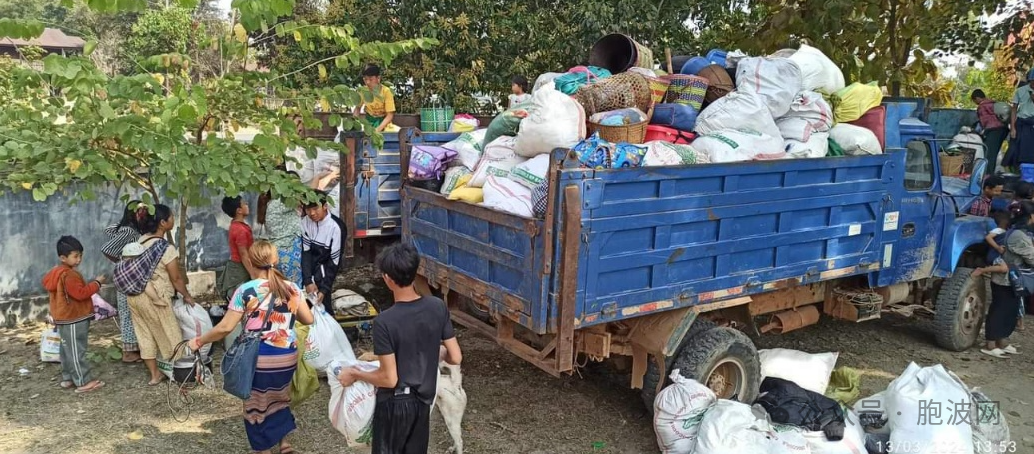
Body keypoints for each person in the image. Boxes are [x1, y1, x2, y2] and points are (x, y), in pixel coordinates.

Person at [189, 241, 314, 454]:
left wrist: (200, 341)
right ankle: (284, 445)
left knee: (255, 404)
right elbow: (308, 319)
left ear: (251, 262)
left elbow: (225, 327)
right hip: (286, 356)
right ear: (275, 261)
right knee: (280, 397)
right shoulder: (292, 288)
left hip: (258, 356)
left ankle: (263, 449)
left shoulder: (245, 290)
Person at [337, 243, 462, 454]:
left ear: (387, 279)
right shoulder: (437, 307)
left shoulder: (385, 322)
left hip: (395, 405)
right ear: (415, 273)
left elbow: (389, 378)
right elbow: (455, 357)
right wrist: (434, 351)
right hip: (423, 402)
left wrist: (355, 374)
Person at [128, 204, 197, 386]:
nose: (173, 219)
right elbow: (175, 278)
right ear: (163, 223)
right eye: (171, 217)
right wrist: (187, 295)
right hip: (155, 295)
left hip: (134, 295)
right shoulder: (165, 248)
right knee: (170, 331)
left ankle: (154, 375)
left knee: (144, 333)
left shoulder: (139, 242)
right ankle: (181, 371)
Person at [42, 236, 107, 393]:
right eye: (75, 256)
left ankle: (68, 378)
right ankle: (83, 381)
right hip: (74, 318)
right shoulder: (69, 275)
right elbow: (80, 294)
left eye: (80, 255)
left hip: (64, 319)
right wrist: (96, 283)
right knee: (77, 351)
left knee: (66, 350)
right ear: (63, 257)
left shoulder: (56, 273)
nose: (79, 259)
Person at [974, 200, 1034, 358]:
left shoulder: (1018, 233)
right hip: (1006, 279)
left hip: (1013, 279)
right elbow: (1031, 257)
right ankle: (990, 343)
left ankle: (1002, 340)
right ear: (1031, 217)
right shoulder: (1019, 236)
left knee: (1010, 310)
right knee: (1000, 310)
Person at [101, 200, 146, 363]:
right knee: (128, 311)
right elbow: (106, 249)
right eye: (139, 211)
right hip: (128, 273)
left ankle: (134, 347)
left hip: (126, 273)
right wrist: (120, 259)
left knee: (131, 309)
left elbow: (109, 230)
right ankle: (129, 352)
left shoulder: (128, 229)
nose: (143, 214)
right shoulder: (129, 231)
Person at [257, 173, 305, 287]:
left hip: (281, 252)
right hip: (288, 251)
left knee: (284, 288)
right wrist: (323, 177)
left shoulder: (273, 203)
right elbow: (307, 196)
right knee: (294, 289)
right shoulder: (280, 202)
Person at [301, 193, 343, 311]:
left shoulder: (336, 227)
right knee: (306, 309)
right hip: (309, 270)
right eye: (308, 209)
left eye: (315, 208)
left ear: (325, 206)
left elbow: (334, 261)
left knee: (325, 307)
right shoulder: (305, 222)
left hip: (325, 271)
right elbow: (306, 252)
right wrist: (308, 280)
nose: (312, 213)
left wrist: (324, 289)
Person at [219, 196, 257, 301]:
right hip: (240, 267)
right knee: (242, 298)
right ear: (239, 210)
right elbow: (243, 254)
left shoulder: (236, 225)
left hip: (237, 265)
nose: (247, 205)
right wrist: (252, 274)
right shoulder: (240, 229)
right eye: (244, 203)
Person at [972, 89, 1008, 174]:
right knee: (994, 153)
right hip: (1003, 130)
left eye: (974, 100)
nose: (975, 102)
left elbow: (984, 122)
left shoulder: (982, 106)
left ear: (977, 98)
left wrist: (980, 132)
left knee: (989, 154)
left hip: (993, 131)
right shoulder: (993, 103)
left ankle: (987, 175)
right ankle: (991, 173)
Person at [355, 64, 396, 133]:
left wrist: (377, 130)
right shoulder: (363, 91)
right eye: (365, 79)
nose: (367, 82)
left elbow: (390, 115)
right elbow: (357, 109)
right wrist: (355, 123)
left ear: (378, 78)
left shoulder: (386, 91)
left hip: (384, 123)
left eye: (371, 79)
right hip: (368, 123)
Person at [1006, 69, 1034, 168]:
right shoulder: (1020, 91)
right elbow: (1014, 109)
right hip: (1021, 123)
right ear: (1029, 80)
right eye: (1032, 81)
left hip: (1032, 124)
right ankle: (1016, 170)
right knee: (1016, 149)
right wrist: (1013, 128)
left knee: (1031, 151)